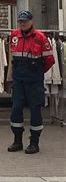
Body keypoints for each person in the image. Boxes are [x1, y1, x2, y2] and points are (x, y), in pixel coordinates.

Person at [8, 10, 55, 154]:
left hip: (34, 81)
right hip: (19, 80)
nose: (22, 24)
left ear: (31, 21)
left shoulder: (40, 37)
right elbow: (12, 57)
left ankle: (34, 143)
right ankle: (17, 141)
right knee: (16, 109)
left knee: (35, 110)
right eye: (20, 21)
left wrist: (37, 72)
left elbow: (49, 60)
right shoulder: (14, 35)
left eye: (25, 21)